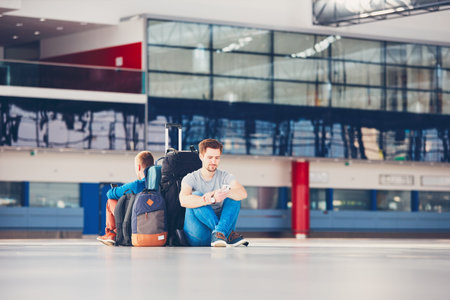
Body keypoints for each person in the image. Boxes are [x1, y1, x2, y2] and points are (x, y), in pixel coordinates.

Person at [179, 139, 249, 247]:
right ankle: (225, 233)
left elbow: (243, 193)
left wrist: (221, 193)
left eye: (217, 158)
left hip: (220, 239)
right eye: (210, 157)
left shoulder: (225, 176)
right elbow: (183, 200)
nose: (213, 161)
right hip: (198, 236)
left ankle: (219, 232)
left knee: (234, 195)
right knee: (196, 195)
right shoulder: (190, 178)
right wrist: (211, 199)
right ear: (201, 157)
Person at [97, 151, 154, 246]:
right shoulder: (160, 183)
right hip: (153, 221)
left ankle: (111, 233)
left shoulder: (136, 185)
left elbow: (109, 194)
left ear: (139, 167)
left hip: (133, 220)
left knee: (110, 201)